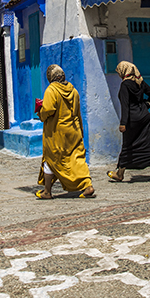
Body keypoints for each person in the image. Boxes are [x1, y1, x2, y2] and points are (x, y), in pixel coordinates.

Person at [35, 64, 95, 199]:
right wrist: (81, 131)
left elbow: (49, 109)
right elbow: (78, 112)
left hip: (58, 132)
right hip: (73, 130)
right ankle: (87, 185)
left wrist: (41, 113)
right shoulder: (73, 90)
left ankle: (47, 191)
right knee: (77, 158)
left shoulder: (52, 90)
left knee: (51, 159)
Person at [107, 61, 150, 183]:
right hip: (144, 117)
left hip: (132, 120)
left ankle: (119, 174)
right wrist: (146, 104)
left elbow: (125, 106)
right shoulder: (139, 82)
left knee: (128, 146)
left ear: (124, 71)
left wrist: (123, 123)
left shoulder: (125, 85)